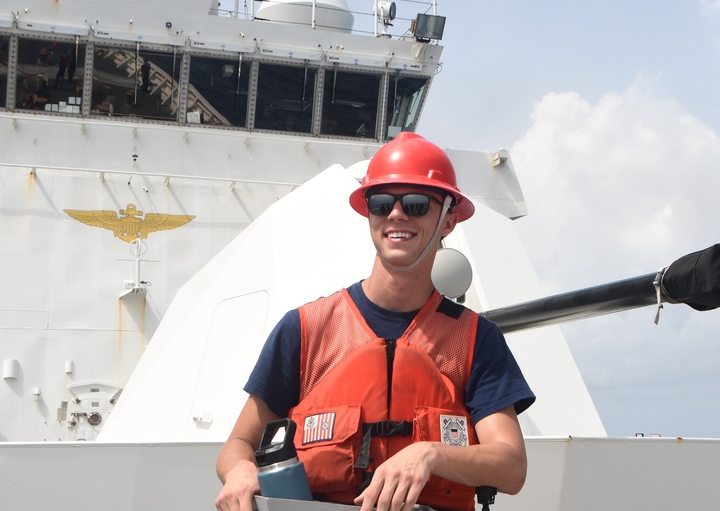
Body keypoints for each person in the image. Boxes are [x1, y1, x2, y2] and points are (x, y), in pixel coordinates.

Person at [215, 132, 535, 511]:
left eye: (417, 204)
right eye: (381, 203)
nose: (396, 214)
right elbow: (237, 446)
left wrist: (429, 454)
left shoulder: (475, 340)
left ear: (448, 222)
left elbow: (511, 467)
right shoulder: (304, 329)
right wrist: (239, 471)